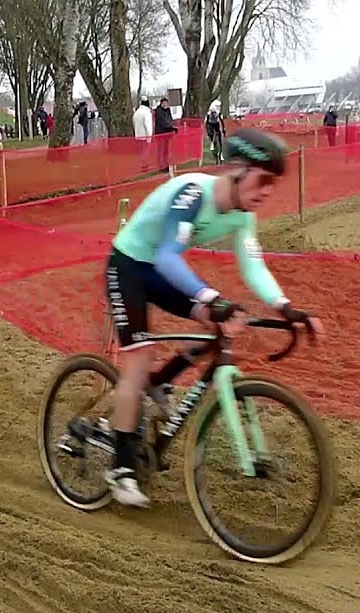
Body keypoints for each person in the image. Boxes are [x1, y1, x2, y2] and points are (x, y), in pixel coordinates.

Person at [100, 128, 321, 508]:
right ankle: (121, 468)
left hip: (158, 269)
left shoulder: (241, 216)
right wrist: (212, 298)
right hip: (129, 267)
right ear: (237, 170)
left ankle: (159, 384)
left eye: (273, 183)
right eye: (263, 180)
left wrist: (286, 306)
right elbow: (169, 255)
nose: (268, 191)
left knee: (217, 322)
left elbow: (253, 267)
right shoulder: (192, 194)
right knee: (137, 361)